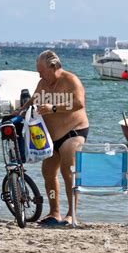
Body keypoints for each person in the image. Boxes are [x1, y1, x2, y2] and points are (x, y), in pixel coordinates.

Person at [16, 50, 89, 226]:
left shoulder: (70, 80)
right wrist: (17, 112)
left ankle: (71, 214)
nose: (39, 74)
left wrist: (53, 108)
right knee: (48, 173)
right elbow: (32, 101)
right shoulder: (43, 83)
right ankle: (54, 212)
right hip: (51, 137)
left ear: (54, 66)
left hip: (74, 131)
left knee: (67, 170)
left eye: (42, 70)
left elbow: (79, 103)